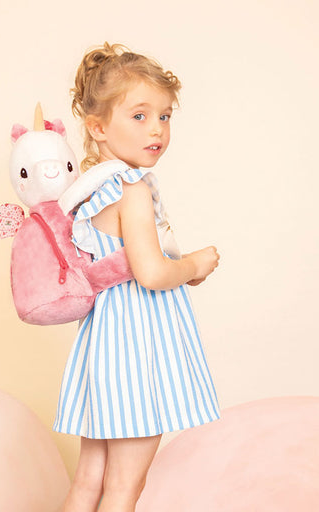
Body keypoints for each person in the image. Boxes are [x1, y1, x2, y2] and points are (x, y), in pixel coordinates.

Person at [53, 42, 221, 512]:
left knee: (89, 481)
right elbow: (150, 273)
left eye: (164, 116)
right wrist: (194, 266)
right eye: (140, 115)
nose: (157, 129)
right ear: (98, 127)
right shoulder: (132, 189)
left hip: (103, 347)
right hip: (136, 352)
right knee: (125, 485)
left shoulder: (89, 192)